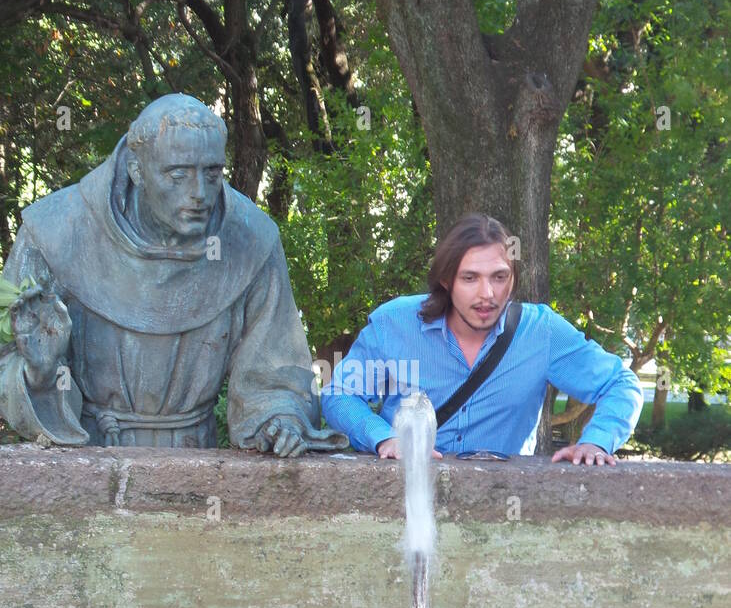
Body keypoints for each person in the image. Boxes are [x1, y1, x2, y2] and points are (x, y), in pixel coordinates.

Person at [0, 94, 347, 456]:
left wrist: (281, 419)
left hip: (197, 463)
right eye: (178, 174)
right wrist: (38, 375)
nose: (199, 194)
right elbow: (7, 358)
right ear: (137, 170)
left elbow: (275, 373)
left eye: (212, 173)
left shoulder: (250, 238)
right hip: (87, 459)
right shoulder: (55, 231)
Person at [320, 213, 643, 466]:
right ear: (446, 279)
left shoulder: (541, 332)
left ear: (513, 278)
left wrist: (598, 440)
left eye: (499, 277)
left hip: (501, 506)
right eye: (470, 278)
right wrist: (383, 438)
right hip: (407, 495)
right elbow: (339, 395)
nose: (487, 294)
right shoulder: (394, 323)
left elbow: (621, 383)